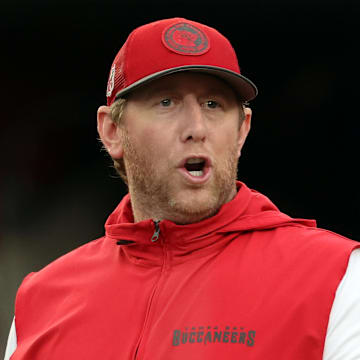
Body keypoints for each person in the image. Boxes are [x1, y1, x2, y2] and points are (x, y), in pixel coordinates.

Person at [4, 17, 360, 360]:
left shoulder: (336, 277)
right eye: (166, 102)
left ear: (241, 131)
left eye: (213, 104)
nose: (196, 127)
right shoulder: (41, 300)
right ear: (112, 131)